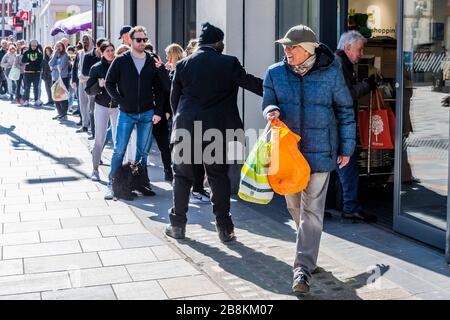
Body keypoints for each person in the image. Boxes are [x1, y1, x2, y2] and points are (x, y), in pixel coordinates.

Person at [263, 25, 355, 294]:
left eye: (292, 47)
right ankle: (308, 249)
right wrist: (271, 110)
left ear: (308, 49)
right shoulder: (275, 73)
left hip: (321, 152)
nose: (286, 51)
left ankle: (302, 268)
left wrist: (346, 147)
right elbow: (268, 99)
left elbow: (345, 110)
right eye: (285, 47)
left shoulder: (331, 72)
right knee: (295, 208)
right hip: (288, 154)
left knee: (312, 211)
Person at [165, 22, 263, 242]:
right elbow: (253, 84)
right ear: (218, 43)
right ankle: (225, 229)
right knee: (218, 176)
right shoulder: (229, 63)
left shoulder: (182, 65)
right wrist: (278, 89)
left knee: (182, 176)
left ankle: (178, 226)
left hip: (187, 128)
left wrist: (181, 123)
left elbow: (174, 100)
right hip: (217, 130)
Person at [104, 26, 164, 200]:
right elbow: (109, 83)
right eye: (139, 40)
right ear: (130, 40)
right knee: (119, 151)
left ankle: (140, 184)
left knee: (142, 153)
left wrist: (158, 110)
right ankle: (112, 184)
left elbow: (160, 88)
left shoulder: (151, 60)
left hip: (147, 112)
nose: (142, 43)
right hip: (126, 113)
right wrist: (121, 101)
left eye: (144, 40)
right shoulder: (121, 60)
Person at [334, 31, 378, 222]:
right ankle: (350, 207)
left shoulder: (339, 63)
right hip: (338, 125)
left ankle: (346, 206)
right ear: (347, 48)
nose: (361, 54)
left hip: (334, 124)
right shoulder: (339, 65)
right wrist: (367, 85)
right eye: (359, 49)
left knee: (339, 168)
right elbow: (346, 96)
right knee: (348, 168)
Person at [86, 41, 118, 182]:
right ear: (102, 52)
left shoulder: (119, 65)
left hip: (117, 106)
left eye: (112, 50)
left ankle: (117, 172)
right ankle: (95, 170)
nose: (110, 53)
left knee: (119, 140)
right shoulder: (96, 68)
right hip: (102, 105)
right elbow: (88, 90)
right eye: (107, 51)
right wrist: (98, 86)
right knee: (99, 139)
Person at [83, 38, 106, 140]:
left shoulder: (108, 57)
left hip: (105, 89)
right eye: (102, 47)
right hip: (94, 86)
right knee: (92, 111)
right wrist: (95, 74)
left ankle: (104, 134)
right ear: (97, 46)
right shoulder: (88, 56)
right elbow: (84, 70)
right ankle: (94, 133)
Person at [76, 34, 95, 133]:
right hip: (81, 81)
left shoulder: (94, 53)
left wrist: (87, 77)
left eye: (86, 40)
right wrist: (77, 77)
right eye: (83, 40)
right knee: (82, 103)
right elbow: (78, 67)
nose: (85, 42)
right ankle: (84, 125)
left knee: (91, 105)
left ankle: (93, 127)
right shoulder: (81, 53)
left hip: (90, 82)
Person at [49, 41, 70, 121]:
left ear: (63, 47)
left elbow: (61, 66)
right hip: (54, 78)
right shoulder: (55, 55)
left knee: (62, 96)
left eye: (60, 46)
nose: (58, 48)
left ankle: (64, 114)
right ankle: (59, 113)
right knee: (55, 96)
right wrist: (55, 54)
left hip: (63, 78)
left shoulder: (65, 55)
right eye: (57, 46)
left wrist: (53, 67)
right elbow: (50, 64)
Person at [22, 40, 43, 107]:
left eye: (35, 46)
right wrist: (32, 61)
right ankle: (26, 100)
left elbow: (40, 62)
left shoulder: (39, 53)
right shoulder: (26, 52)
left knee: (36, 87)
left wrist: (30, 62)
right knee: (27, 87)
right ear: (30, 46)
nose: (33, 47)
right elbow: (23, 60)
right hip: (27, 72)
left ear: (37, 46)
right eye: (32, 46)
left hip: (36, 73)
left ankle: (36, 100)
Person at [14, 40, 26, 105]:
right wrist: (22, 67)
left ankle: (25, 98)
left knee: (26, 86)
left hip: (26, 73)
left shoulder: (28, 56)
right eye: (23, 49)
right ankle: (17, 97)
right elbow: (16, 64)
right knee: (18, 85)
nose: (25, 50)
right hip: (19, 73)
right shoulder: (18, 56)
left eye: (26, 49)